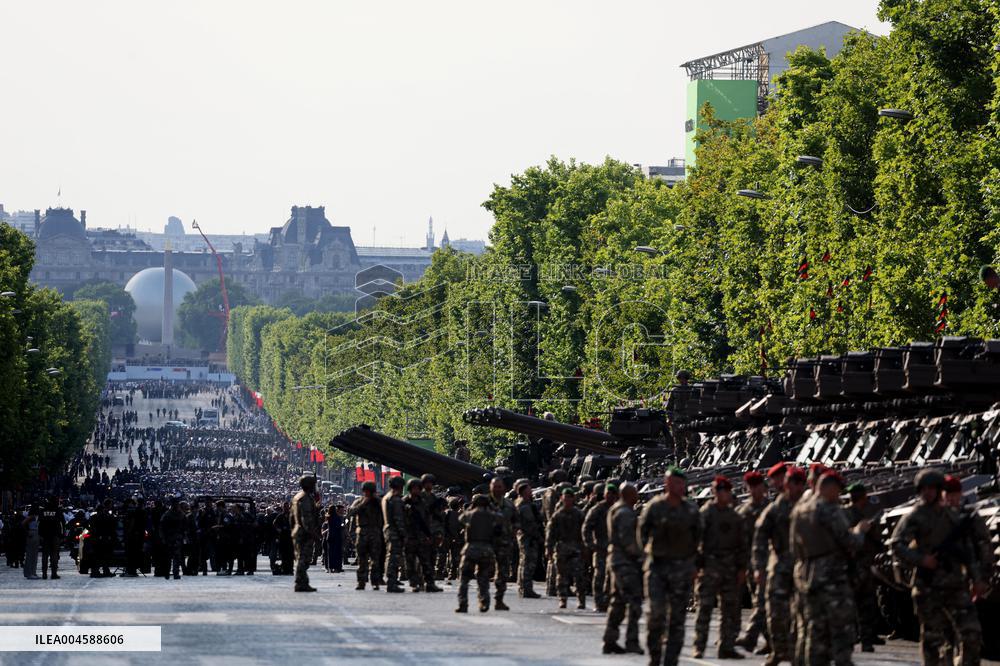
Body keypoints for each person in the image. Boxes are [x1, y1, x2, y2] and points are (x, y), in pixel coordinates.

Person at [891, 469, 982, 665]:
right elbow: (896, 544)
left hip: (955, 584)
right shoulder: (915, 516)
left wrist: (976, 578)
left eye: (933, 488)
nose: (929, 492)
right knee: (932, 640)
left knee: (971, 633)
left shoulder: (953, 515)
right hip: (927, 585)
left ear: (940, 489)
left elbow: (967, 551)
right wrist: (921, 559)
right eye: (925, 489)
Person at [790, 469, 871, 665]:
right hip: (831, 577)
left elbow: (793, 545)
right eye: (838, 489)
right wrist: (860, 532)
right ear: (829, 488)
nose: (839, 494)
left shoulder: (800, 510)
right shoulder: (830, 510)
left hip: (806, 574)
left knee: (814, 630)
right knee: (841, 629)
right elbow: (849, 542)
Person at [639, 466, 701, 666]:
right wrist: (647, 555)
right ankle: (655, 658)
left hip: (681, 570)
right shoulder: (655, 507)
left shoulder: (691, 510)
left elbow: (699, 539)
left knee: (677, 619)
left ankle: (671, 661)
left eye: (683, 483)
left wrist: (695, 565)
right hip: (657, 568)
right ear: (667, 484)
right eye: (676, 483)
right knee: (656, 615)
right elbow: (642, 532)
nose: (680, 487)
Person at [753, 464, 804, 666]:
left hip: (804, 566)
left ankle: (796, 652)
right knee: (775, 612)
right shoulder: (776, 508)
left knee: (802, 613)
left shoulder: (809, 504)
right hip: (781, 565)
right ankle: (779, 650)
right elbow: (760, 536)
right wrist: (759, 566)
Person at [693, 475, 747, 659]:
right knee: (705, 608)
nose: (723, 494)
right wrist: (697, 565)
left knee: (729, 610)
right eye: (720, 491)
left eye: (726, 491)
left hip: (729, 568)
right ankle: (699, 645)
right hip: (709, 566)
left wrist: (741, 568)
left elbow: (741, 544)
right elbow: (697, 540)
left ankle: (726, 646)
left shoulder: (734, 516)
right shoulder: (706, 513)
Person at [602, 482, 643, 656]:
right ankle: (631, 641)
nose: (637, 496)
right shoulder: (625, 512)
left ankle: (610, 640)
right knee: (634, 602)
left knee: (617, 602)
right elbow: (629, 542)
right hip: (625, 563)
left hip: (616, 560)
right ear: (628, 495)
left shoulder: (616, 509)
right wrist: (643, 557)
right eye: (635, 493)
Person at [844, 482, 884, 652]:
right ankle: (859, 638)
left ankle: (865, 638)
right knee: (859, 602)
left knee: (864, 602)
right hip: (855, 563)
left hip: (862, 563)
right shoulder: (848, 514)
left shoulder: (849, 513)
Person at [736, 471, 770, 654]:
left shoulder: (770, 509)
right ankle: (770, 642)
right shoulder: (743, 512)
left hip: (770, 563)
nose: (755, 490)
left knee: (764, 602)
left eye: (758, 486)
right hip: (750, 564)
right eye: (752, 486)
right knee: (759, 602)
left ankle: (751, 637)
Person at [455, 494, 499, 613]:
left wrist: (470, 508)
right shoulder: (492, 516)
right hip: (486, 549)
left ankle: (463, 603)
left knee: (464, 578)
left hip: (471, 548)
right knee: (483, 578)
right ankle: (484, 603)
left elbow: (461, 519)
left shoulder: (469, 514)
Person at [546, 486, 587, 610]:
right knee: (561, 576)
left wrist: (585, 547)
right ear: (562, 499)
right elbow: (551, 533)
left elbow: (584, 531)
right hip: (562, 548)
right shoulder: (557, 515)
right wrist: (548, 548)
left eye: (570, 497)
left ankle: (581, 600)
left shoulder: (579, 514)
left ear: (573, 499)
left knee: (579, 575)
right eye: (565, 497)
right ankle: (562, 599)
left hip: (576, 548)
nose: (568, 500)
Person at [583, 482, 618, 614]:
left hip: (615, 549)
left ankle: (609, 602)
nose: (610, 496)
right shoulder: (597, 510)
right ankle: (599, 602)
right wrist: (591, 545)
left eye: (612, 494)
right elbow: (586, 528)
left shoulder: (618, 509)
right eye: (608, 493)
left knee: (612, 578)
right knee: (599, 576)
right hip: (600, 548)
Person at [403, 478, 442, 593]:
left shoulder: (423, 502)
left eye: (418, 488)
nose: (416, 490)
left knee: (426, 562)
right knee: (410, 563)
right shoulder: (404, 502)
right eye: (414, 488)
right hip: (409, 536)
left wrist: (429, 534)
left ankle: (429, 583)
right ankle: (414, 583)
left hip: (421, 536)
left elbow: (427, 519)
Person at [348, 481, 383, 589]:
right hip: (362, 533)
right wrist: (363, 504)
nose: (368, 494)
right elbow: (351, 513)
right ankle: (361, 581)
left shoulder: (378, 502)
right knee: (362, 560)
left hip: (375, 533)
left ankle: (375, 582)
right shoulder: (358, 501)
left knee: (375, 560)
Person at [489, 476, 517, 610]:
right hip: (486, 543)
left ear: (504, 488)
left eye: (500, 487)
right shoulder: (484, 503)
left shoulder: (509, 505)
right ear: (490, 487)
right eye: (495, 486)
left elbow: (517, 521)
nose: (497, 489)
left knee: (503, 572)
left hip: (504, 543)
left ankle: (499, 599)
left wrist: (512, 531)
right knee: (483, 572)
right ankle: (483, 597)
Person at [290, 474, 321, 592]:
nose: (315, 486)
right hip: (305, 532)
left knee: (302, 558)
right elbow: (306, 519)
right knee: (303, 558)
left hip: (299, 531)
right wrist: (313, 533)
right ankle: (300, 583)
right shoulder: (306, 499)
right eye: (313, 484)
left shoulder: (298, 497)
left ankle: (303, 582)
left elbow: (291, 517)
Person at [514, 480, 542, 598]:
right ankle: (526, 589)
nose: (531, 492)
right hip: (528, 537)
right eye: (529, 490)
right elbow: (530, 524)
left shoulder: (519, 503)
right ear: (524, 492)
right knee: (528, 563)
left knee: (523, 562)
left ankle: (522, 587)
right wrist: (538, 536)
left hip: (523, 536)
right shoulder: (525, 506)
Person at [381, 475, 407, 593]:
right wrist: (403, 533)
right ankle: (391, 582)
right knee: (394, 557)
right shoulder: (395, 499)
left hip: (389, 530)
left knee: (391, 555)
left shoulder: (387, 497)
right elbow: (398, 519)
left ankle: (393, 579)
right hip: (395, 531)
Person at [159, 497, 186, 580]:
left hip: (171, 538)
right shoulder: (179, 514)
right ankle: (174, 573)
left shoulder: (167, 514)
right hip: (173, 538)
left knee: (171, 557)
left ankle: (169, 573)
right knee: (174, 557)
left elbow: (161, 527)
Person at [38, 497, 65, 580]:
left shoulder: (43, 511)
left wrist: (40, 535)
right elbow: (62, 523)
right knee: (54, 555)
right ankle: (54, 573)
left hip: (45, 535)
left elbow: (39, 523)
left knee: (45, 555)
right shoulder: (58, 511)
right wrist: (62, 535)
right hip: (55, 535)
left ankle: (44, 574)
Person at [22, 506, 40, 580]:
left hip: (34, 534)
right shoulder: (31, 517)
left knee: (33, 555)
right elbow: (23, 524)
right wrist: (27, 532)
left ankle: (32, 572)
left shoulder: (33, 517)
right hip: (32, 534)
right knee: (31, 555)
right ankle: (30, 573)